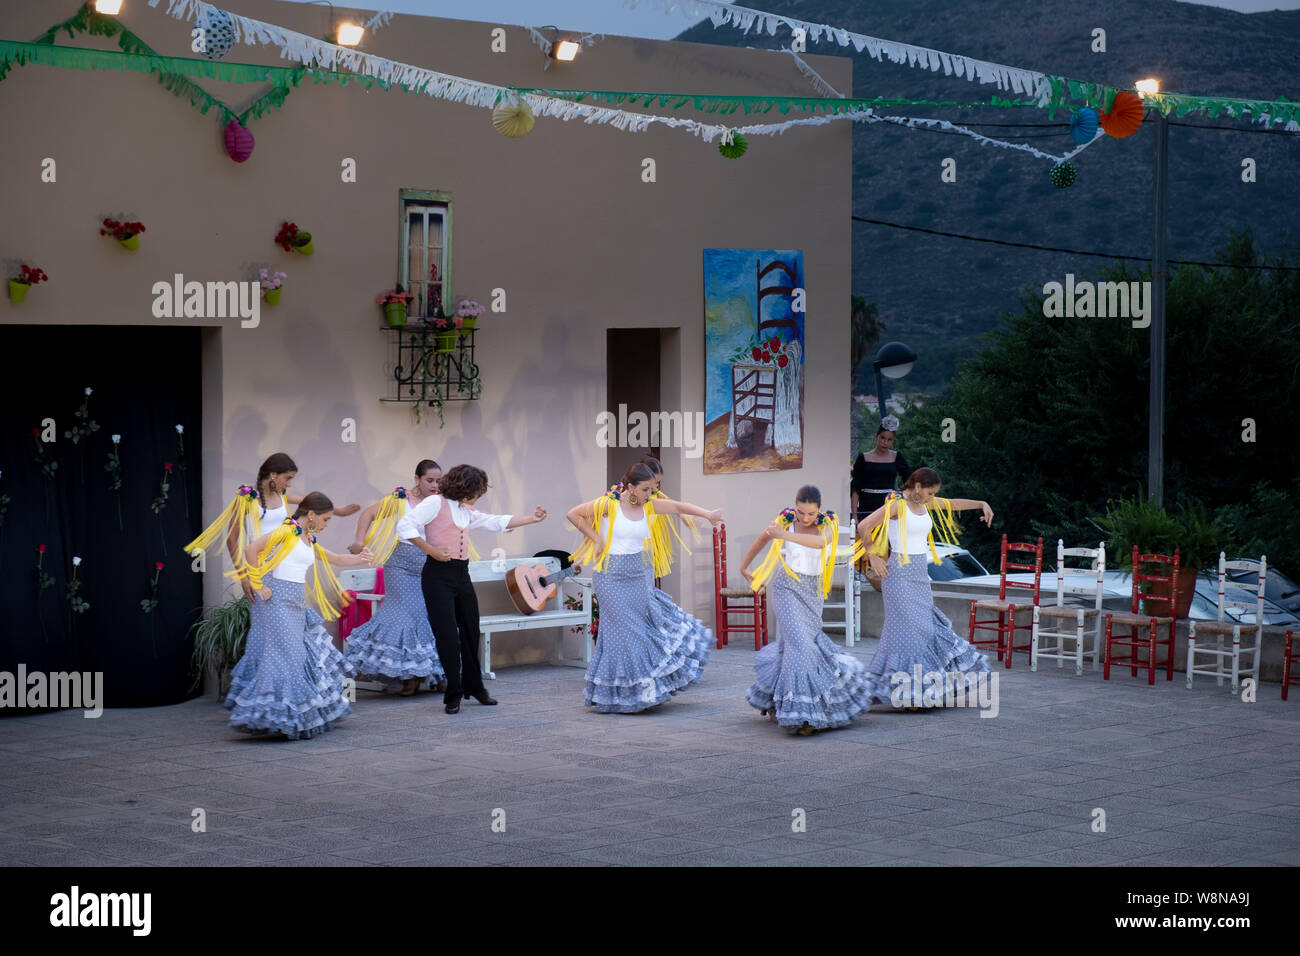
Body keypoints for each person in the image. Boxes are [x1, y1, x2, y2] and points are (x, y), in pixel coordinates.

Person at [566, 463, 721, 713]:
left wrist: (707, 514)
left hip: (638, 574)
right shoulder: (609, 504)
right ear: (630, 487)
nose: (651, 493)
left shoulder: (649, 505)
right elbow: (573, 514)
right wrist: (596, 538)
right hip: (610, 577)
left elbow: (679, 507)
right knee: (626, 633)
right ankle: (628, 692)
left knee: (641, 630)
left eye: (653, 488)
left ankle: (635, 693)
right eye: (646, 489)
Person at [395, 465, 547, 714]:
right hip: (437, 576)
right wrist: (431, 550)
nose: (478, 496)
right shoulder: (435, 503)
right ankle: (453, 692)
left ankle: (475, 687)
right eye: (476, 491)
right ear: (464, 489)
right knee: (447, 637)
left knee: (470, 631)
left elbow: (493, 521)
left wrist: (531, 519)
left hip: (461, 574)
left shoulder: (464, 508)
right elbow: (404, 526)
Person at [224, 492, 376, 739]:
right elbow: (251, 549)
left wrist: (359, 558)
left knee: (295, 656)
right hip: (276, 601)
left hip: (295, 602)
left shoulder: (306, 537)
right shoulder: (287, 530)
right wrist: (256, 584)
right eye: (325, 519)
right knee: (288, 656)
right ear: (311, 514)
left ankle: (280, 716)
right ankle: (276, 715)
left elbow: (334, 558)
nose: (327, 524)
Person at [854, 467, 994, 710]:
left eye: (933, 494)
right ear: (917, 486)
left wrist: (981, 503)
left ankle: (894, 689)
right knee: (910, 632)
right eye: (930, 493)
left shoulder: (924, 503)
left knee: (913, 631)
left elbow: (951, 504)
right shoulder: (898, 505)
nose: (932, 497)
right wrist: (873, 556)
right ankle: (909, 695)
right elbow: (864, 525)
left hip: (920, 574)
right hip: (898, 573)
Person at [740, 486, 873, 735]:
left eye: (810, 513)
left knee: (794, 647)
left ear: (819, 509)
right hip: (786, 588)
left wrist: (784, 535)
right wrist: (744, 567)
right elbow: (763, 538)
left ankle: (773, 700)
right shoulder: (786, 522)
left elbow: (820, 543)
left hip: (812, 593)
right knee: (801, 645)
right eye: (800, 512)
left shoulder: (829, 524)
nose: (804, 518)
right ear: (795, 505)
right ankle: (801, 713)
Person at [341, 460, 447, 695]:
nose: (435, 485)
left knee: (432, 616)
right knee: (403, 615)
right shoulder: (400, 499)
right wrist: (360, 541)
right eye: (430, 480)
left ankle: (437, 672)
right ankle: (410, 675)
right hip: (400, 564)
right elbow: (368, 514)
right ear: (417, 478)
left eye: (439, 480)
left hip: (430, 564)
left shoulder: (441, 502)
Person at [850, 416, 910, 527]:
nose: (885, 442)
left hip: (889, 509)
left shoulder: (897, 457)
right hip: (866, 510)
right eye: (882, 438)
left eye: (889, 440)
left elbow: (909, 480)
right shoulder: (863, 458)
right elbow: (855, 489)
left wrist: (899, 495)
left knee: (888, 542)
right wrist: (854, 516)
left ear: (893, 441)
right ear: (876, 437)